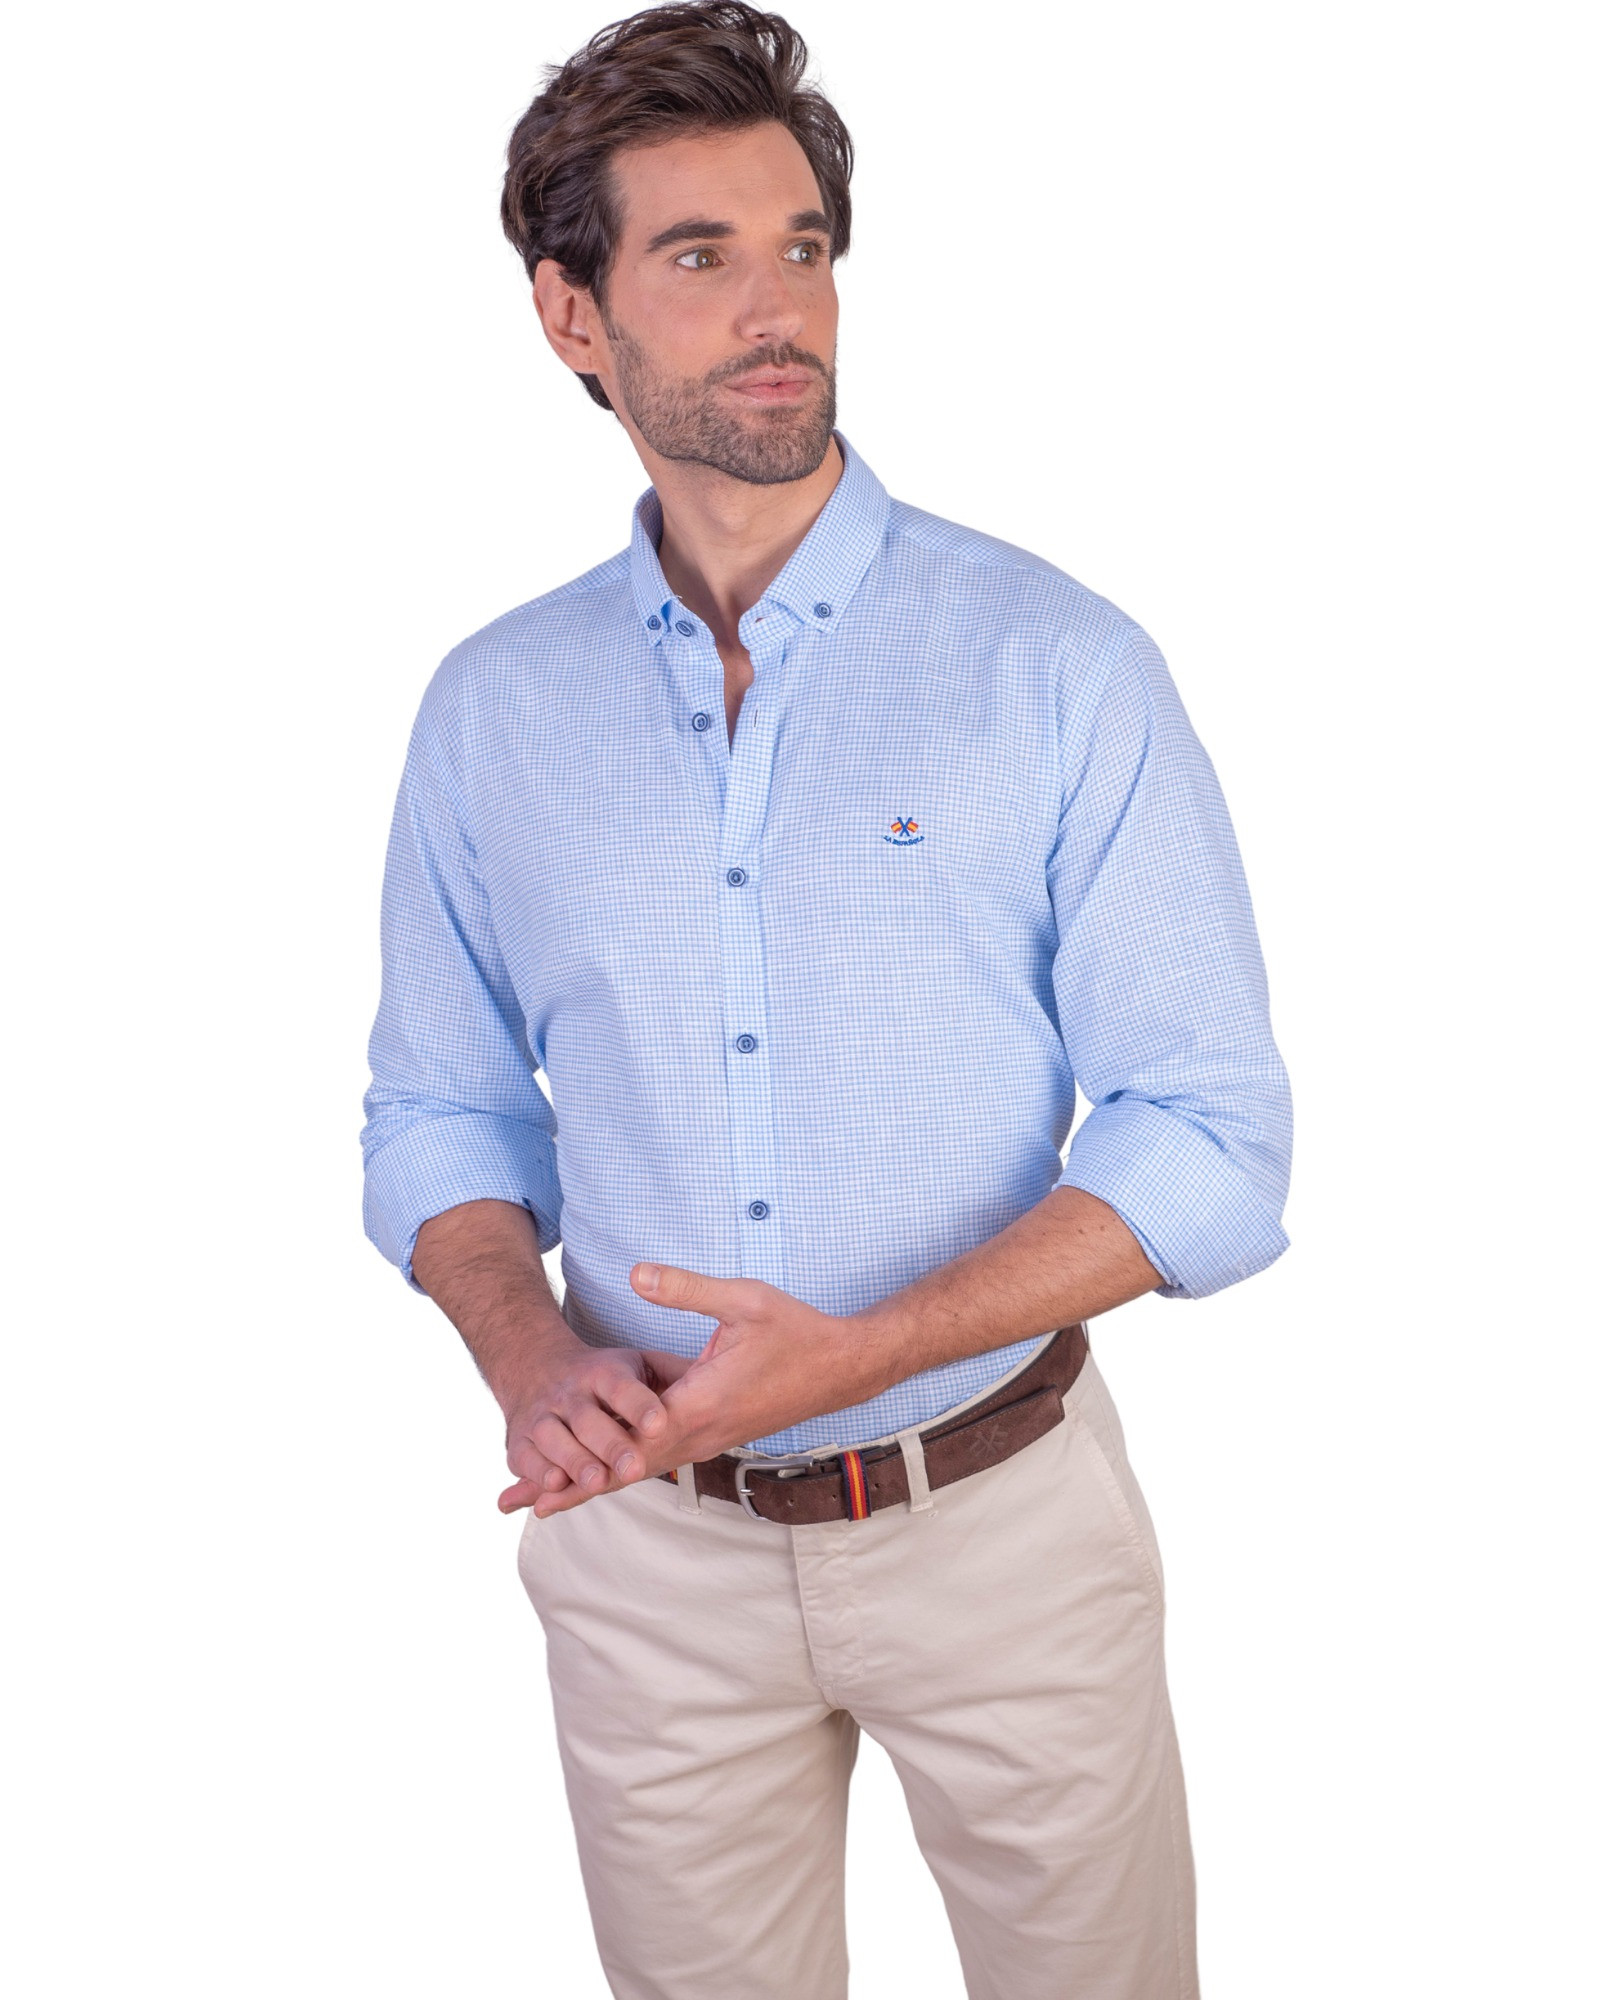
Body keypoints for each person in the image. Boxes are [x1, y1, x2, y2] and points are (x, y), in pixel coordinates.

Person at [359, 4, 1292, 1994]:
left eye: (801, 246)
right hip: (645, 1553)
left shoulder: (1055, 664)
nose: (776, 307)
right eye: (698, 255)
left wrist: (861, 1350)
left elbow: (1209, 1139)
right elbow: (443, 1111)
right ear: (571, 313)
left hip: (1002, 1529)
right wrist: (526, 1356)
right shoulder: (491, 711)